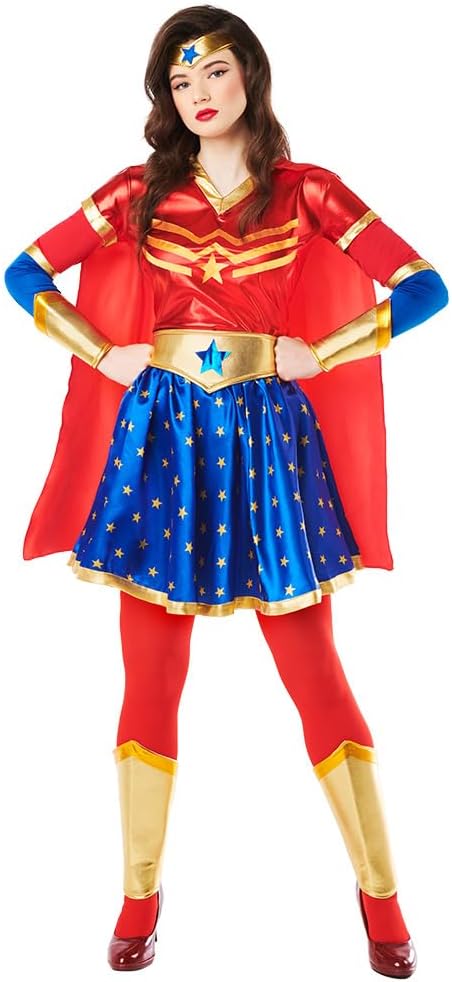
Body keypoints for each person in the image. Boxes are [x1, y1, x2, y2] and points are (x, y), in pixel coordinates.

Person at [4, 3, 448, 977]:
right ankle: (138, 896)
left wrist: (323, 349)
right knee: (149, 676)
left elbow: (423, 287)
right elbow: (24, 271)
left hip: (267, 444)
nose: (197, 93)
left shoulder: (308, 190)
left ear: (250, 73)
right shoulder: (136, 191)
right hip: (159, 437)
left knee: (315, 672)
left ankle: (382, 901)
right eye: (179, 79)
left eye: (212, 71)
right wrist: (102, 352)